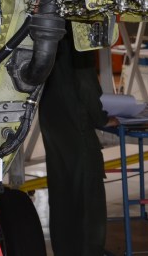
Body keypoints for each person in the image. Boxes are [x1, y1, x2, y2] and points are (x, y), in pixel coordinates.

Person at [39, 27, 108, 255]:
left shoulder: (47, 28)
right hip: (77, 122)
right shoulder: (80, 28)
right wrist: (101, 117)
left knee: (62, 193)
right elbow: (85, 83)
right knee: (88, 199)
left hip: (52, 121)